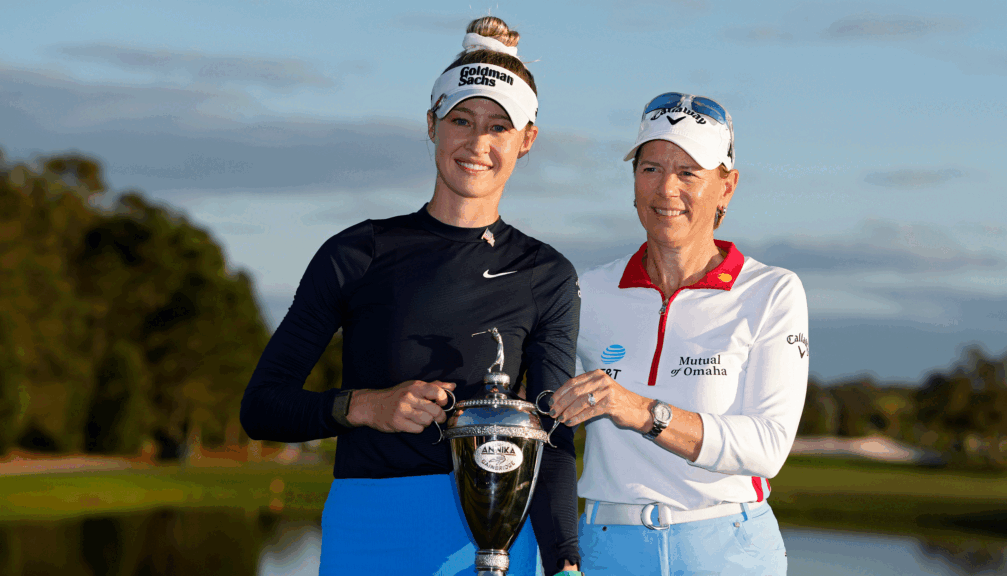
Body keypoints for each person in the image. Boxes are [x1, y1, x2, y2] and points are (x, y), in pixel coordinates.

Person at [240, 16, 583, 576]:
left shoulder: (545, 273)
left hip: (493, 540)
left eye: (499, 127)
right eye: (461, 120)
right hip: (369, 529)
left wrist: (565, 560)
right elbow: (261, 407)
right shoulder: (357, 252)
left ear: (527, 141)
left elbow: (552, 433)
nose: (477, 143)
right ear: (431, 124)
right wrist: (365, 406)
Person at [549, 92, 809, 575]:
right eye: (650, 168)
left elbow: (768, 446)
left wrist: (643, 411)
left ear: (726, 188)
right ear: (633, 182)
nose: (666, 188)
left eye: (689, 172)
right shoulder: (588, 290)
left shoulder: (771, 291)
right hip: (606, 546)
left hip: (729, 547)